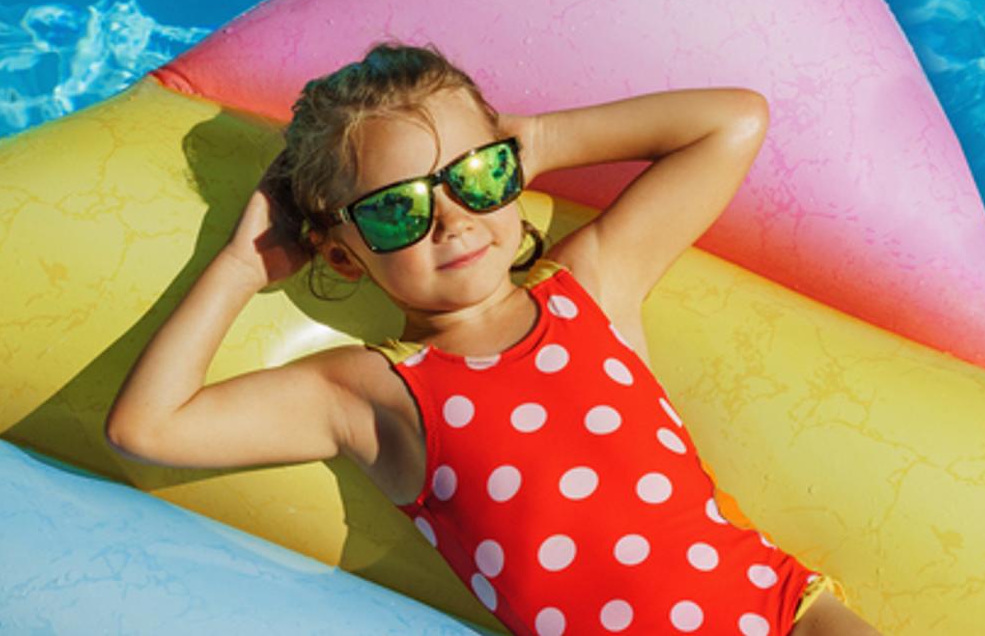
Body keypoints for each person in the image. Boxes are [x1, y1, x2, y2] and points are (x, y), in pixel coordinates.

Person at [104, 41, 882, 636]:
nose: (452, 217)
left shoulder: (592, 284)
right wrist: (243, 266)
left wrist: (541, 139)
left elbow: (734, 120)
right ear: (343, 252)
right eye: (395, 210)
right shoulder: (372, 390)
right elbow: (148, 425)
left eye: (476, 174)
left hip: (786, 613)